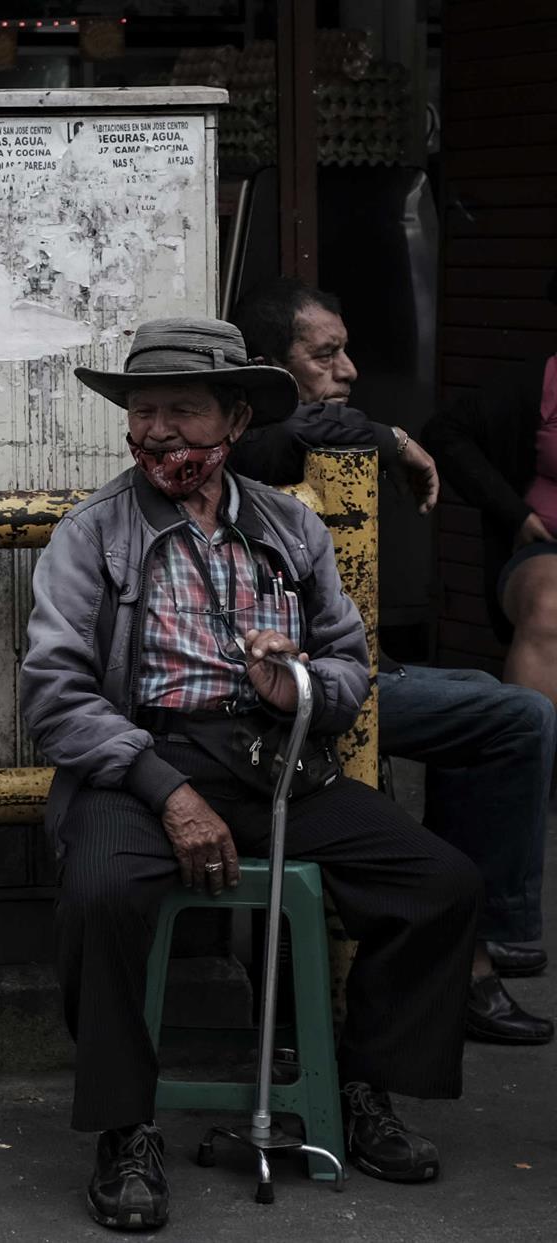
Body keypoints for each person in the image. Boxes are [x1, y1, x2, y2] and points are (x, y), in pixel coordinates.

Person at [22, 317, 481, 1232]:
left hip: (274, 760)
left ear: (233, 419)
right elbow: (55, 698)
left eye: (183, 413)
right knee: (103, 891)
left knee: (442, 884)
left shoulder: (289, 525)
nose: (158, 433)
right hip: (142, 764)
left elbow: (351, 669)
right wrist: (166, 790)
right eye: (143, 413)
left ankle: (359, 1089)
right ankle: (126, 1129)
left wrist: (297, 684)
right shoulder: (92, 535)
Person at [229, 277, 551, 1040]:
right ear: (274, 369)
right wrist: (398, 439)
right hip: (288, 688)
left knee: (496, 712)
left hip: (351, 667)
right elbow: (295, 436)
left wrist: (380, 434)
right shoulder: (242, 439)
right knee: (515, 715)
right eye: (326, 354)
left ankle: (469, 938)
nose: (348, 371)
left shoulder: (290, 432)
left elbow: (326, 428)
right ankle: (475, 949)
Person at [422, 271, 557, 710]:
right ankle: (531, 767)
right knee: (550, 604)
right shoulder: (537, 384)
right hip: (545, 552)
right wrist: (515, 514)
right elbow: (445, 432)